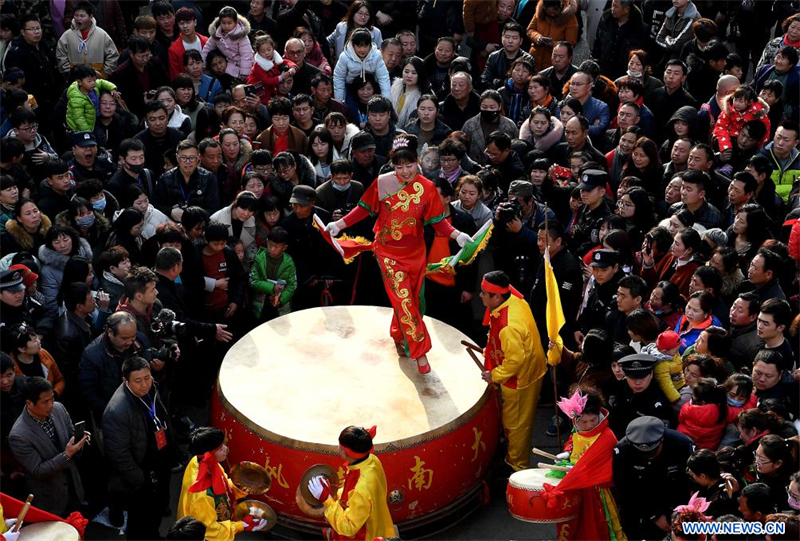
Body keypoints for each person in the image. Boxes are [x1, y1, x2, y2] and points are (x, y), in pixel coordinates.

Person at [324, 135, 473, 374]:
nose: (405, 171)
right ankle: (420, 353)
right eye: (399, 166)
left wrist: (457, 235)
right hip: (388, 253)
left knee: (414, 303)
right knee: (404, 301)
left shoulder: (427, 188)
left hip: (416, 254)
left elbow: (437, 222)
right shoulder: (382, 183)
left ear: (417, 162)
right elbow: (364, 208)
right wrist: (339, 224)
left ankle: (398, 334)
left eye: (409, 165)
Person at [477, 270, 546, 472]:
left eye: (483, 293)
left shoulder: (509, 326)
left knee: (516, 426)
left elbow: (515, 360)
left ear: (496, 296)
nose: (480, 296)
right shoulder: (514, 300)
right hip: (530, 367)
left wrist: (494, 375)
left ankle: (517, 468)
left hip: (520, 379)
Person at [103, 356, 175, 539]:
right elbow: (119, 455)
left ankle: (154, 533)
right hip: (141, 473)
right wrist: (140, 480)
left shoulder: (152, 389)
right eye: (138, 381)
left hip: (161, 463)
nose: (145, 385)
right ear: (125, 381)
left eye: (147, 378)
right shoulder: (116, 411)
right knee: (141, 519)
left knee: (159, 507)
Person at [8, 377, 89, 517]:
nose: (51, 404)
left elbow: (71, 438)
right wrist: (66, 455)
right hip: (50, 501)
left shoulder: (59, 409)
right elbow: (38, 471)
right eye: (46, 402)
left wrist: (79, 442)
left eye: (52, 398)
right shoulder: (19, 435)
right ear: (29, 403)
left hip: (73, 489)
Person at [306, 425, 394, 541]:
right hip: (374, 520)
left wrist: (326, 499)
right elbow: (353, 495)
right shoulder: (371, 459)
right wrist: (334, 491)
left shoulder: (360, 488)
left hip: (363, 535)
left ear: (344, 452)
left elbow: (349, 528)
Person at [177, 427, 268, 539]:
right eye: (220, 448)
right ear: (209, 454)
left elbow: (221, 488)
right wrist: (241, 526)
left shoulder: (200, 462)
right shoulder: (201, 495)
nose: (226, 448)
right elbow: (210, 531)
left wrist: (242, 485)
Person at [609, 354, 676, 438]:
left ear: (651, 374)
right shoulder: (619, 388)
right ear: (626, 375)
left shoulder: (659, 404)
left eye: (642, 377)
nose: (637, 383)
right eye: (632, 378)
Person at [55, 1, 119, 79]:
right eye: (76, 15)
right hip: (75, 79)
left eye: (82, 16)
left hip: (97, 78)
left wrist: (105, 73)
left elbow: (113, 55)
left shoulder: (102, 34)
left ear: (90, 17)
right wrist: (68, 72)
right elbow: (61, 55)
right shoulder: (67, 35)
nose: (78, 18)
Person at [201, 6, 253, 80]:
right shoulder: (216, 35)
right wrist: (202, 66)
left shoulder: (241, 36)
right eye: (223, 23)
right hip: (229, 67)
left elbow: (246, 55)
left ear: (236, 22)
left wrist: (245, 74)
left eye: (229, 23)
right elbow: (207, 49)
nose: (226, 26)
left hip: (246, 67)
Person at [65, 65, 120, 133]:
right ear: (79, 82)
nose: (93, 83)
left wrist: (112, 88)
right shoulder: (76, 99)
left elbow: (102, 82)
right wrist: (88, 132)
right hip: (80, 128)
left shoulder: (93, 86)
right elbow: (79, 119)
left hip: (94, 119)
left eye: (94, 80)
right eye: (89, 81)